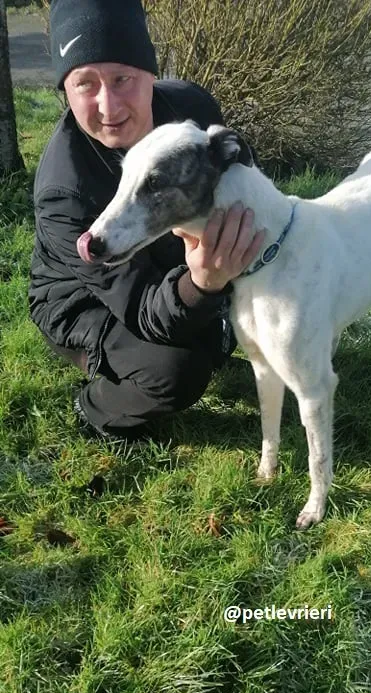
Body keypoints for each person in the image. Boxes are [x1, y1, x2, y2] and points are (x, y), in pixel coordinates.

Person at [28, 0, 265, 441]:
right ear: (65, 90)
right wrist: (203, 285)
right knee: (177, 370)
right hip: (87, 298)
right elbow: (140, 308)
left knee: (236, 318)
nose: (108, 106)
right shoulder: (66, 191)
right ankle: (97, 408)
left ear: (150, 74)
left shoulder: (192, 110)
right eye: (85, 84)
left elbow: (238, 193)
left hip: (170, 261)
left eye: (123, 78)